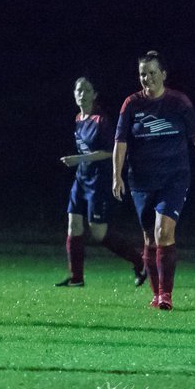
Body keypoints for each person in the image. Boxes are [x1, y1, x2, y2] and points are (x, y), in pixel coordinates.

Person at [112, 51, 195, 310]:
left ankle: (165, 294)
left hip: (174, 178)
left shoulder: (179, 102)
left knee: (164, 232)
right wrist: (116, 175)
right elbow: (120, 142)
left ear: (164, 75)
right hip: (141, 181)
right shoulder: (131, 104)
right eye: (142, 74)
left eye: (152, 73)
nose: (147, 79)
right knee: (149, 238)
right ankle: (155, 295)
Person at [57, 76, 146, 288]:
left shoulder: (102, 120)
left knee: (99, 233)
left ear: (95, 95)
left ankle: (140, 261)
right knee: (73, 225)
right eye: (78, 90)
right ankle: (76, 278)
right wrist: (81, 163)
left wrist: (80, 159)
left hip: (98, 181)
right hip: (81, 179)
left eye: (87, 90)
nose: (82, 94)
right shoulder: (78, 118)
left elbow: (110, 151)